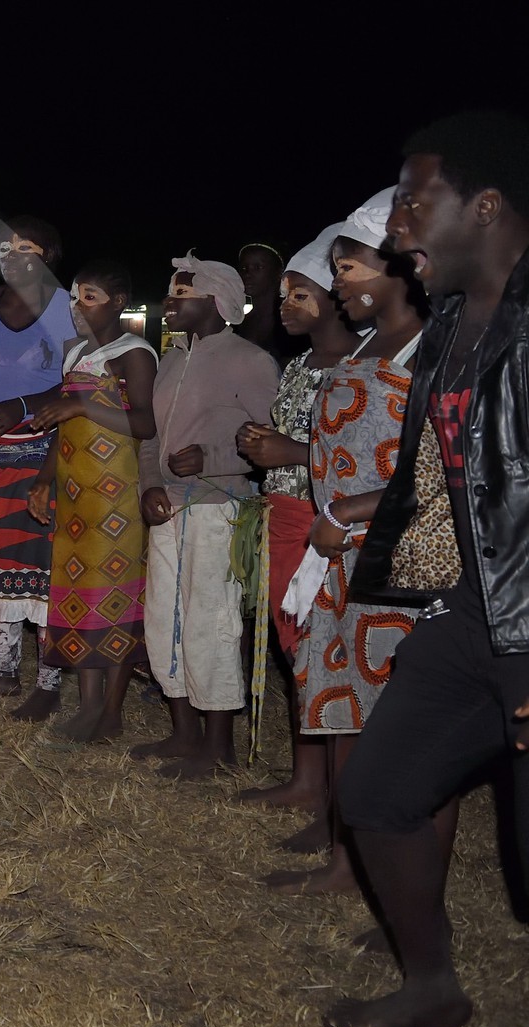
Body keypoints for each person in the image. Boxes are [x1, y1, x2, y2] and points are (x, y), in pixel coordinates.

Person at [322, 112, 529, 1027]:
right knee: (376, 792)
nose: (397, 225)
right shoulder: (451, 325)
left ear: (484, 208)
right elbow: (448, 479)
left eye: (413, 202)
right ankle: (433, 986)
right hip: (471, 618)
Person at [257, 191, 429, 898]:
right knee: (341, 705)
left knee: (386, 725)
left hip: (391, 559)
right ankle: (343, 856)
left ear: (396, 268)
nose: (339, 284)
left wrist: (351, 511)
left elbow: (439, 473)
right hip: (338, 557)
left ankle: (371, 870)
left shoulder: (431, 346)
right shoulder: (363, 343)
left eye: (349, 267)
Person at [233, 225, 361, 839]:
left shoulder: (362, 365)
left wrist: (287, 448)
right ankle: (310, 779)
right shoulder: (301, 364)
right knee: (294, 647)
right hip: (283, 515)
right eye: (283, 295)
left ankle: (339, 798)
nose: (284, 305)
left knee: (323, 651)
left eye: (299, 295)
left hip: (327, 525)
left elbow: (361, 455)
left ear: (335, 299)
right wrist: (260, 442)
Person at [136, 254, 279, 777]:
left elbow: (271, 443)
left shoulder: (250, 361)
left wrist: (214, 459)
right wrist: (149, 483)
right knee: (164, 616)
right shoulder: (171, 359)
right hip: (170, 506)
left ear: (215, 301)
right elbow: (149, 435)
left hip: (220, 507)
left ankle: (219, 746)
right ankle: (183, 733)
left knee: (211, 620)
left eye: (179, 297)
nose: (168, 305)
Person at [26, 261, 157, 742]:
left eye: (90, 297)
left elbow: (145, 424)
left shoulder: (134, 353)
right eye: (76, 297)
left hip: (115, 497)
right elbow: (60, 424)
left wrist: (83, 404)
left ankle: (110, 713)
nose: (78, 307)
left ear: (119, 303)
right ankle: (89, 705)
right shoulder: (75, 353)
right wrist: (45, 480)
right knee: (79, 595)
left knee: (116, 600)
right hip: (77, 495)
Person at [0, 218, 72, 716]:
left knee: (45, 570)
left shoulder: (67, 307)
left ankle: (48, 683)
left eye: (27, 247)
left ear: (49, 256)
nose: (13, 254)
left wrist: (21, 406)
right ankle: (5, 673)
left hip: (47, 449)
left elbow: (77, 384)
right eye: (6, 246)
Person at [235, 242, 305, 367]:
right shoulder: (236, 320)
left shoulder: (291, 322)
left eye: (258, 267)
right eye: (244, 268)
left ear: (278, 273)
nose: (247, 274)